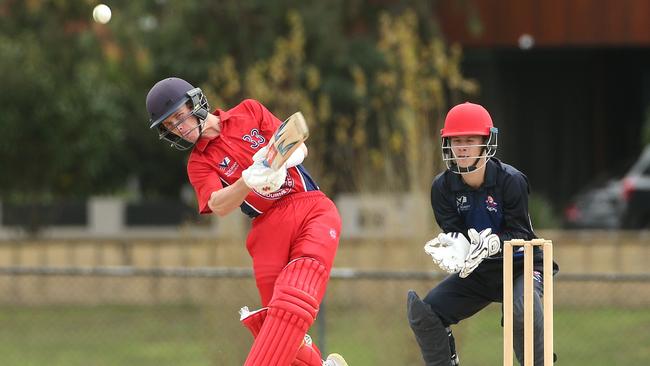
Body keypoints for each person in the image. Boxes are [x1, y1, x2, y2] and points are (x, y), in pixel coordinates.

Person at [145, 77, 348, 366]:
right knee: (273, 327)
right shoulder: (198, 163)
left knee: (293, 300)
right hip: (266, 227)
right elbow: (218, 203)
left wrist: (278, 163)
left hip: (308, 205)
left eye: (180, 116)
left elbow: (296, 141)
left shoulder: (248, 111)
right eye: (170, 125)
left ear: (195, 102)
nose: (180, 127)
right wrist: (248, 180)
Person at [406, 102, 558, 366]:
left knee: (522, 310)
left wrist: (493, 244)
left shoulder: (511, 180)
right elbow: (454, 233)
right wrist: (457, 248)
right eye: (456, 141)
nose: (462, 147)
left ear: (486, 143)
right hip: (478, 271)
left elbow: (521, 234)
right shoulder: (442, 188)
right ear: (448, 145)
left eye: (470, 140)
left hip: (521, 265)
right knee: (425, 314)